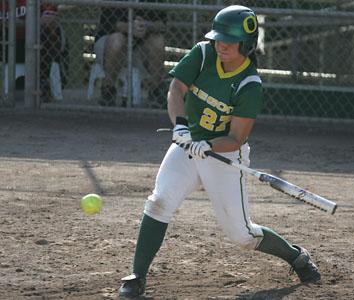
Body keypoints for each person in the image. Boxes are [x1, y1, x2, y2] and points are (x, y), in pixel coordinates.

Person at [118, 5, 321, 298]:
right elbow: (176, 89)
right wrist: (181, 128)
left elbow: (236, 137)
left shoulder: (249, 85)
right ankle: (137, 276)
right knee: (159, 201)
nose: (221, 44)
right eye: (218, 37)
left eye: (230, 39)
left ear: (248, 45)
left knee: (242, 234)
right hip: (187, 144)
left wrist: (209, 145)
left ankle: (295, 256)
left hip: (223, 157)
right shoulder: (203, 53)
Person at [94, 0, 166, 107]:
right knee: (117, 41)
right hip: (111, 40)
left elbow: (162, 24)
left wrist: (146, 26)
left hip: (142, 41)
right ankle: (108, 90)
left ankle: (155, 92)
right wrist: (129, 27)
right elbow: (108, 22)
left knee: (158, 42)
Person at [0, 1, 66, 102]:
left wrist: (17, 23)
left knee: (47, 31)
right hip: (5, 46)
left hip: (34, 46)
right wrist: (30, 22)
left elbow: (50, 20)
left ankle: (42, 82)